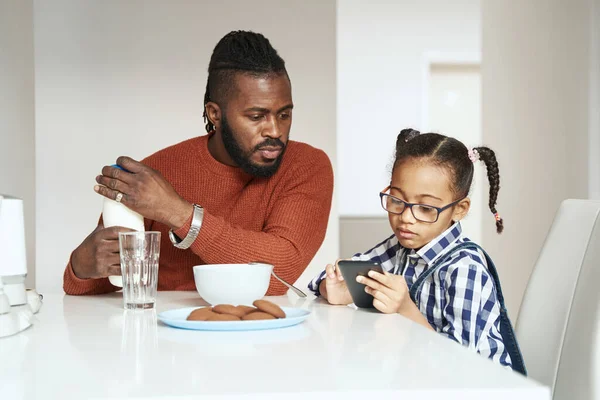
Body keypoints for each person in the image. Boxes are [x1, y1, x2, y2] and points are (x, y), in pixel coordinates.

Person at [63, 30, 334, 296]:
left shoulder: (306, 166)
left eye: (284, 115)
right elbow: (107, 279)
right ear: (214, 114)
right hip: (163, 334)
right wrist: (81, 266)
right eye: (256, 116)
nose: (275, 131)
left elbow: (278, 275)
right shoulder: (156, 174)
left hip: (261, 333)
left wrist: (177, 213)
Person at [309, 129, 526, 373]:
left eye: (425, 208)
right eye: (397, 201)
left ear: (460, 209)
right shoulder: (399, 247)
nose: (406, 218)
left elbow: (463, 368)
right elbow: (333, 276)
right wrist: (336, 289)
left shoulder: (465, 270)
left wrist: (405, 309)